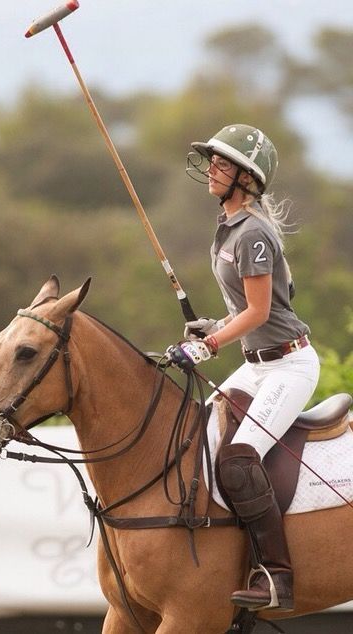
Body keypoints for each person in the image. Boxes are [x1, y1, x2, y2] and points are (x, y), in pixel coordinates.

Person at [167, 124, 320, 612]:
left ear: (247, 179)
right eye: (212, 160)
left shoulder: (252, 233)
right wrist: (213, 325)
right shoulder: (229, 226)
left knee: (236, 460)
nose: (212, 168)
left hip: (288, 367)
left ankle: (277, 575)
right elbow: (251, 310)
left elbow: (258, 314)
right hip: (256, 364)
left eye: (223, 163)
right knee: (194, 440)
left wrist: (208, 344)